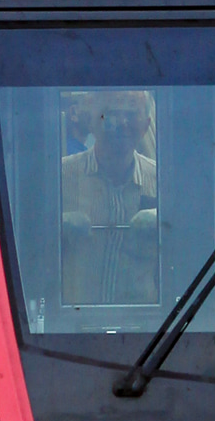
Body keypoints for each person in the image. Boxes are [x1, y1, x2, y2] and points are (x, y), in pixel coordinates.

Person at [61, 90, 159, 305]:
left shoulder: (163, 183)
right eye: (111, 113)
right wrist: (55, 227)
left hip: (147, 328)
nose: (122, 122)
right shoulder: (58, 178)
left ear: (146, 125)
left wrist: (167, 221)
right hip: (70, 325)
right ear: (91, 121)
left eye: (132, 114)